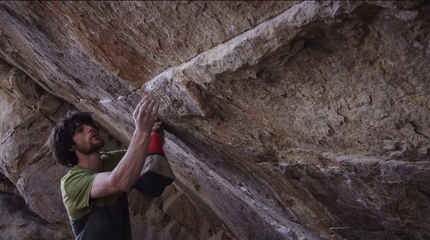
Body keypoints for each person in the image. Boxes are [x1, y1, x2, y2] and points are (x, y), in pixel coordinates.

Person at [49, 95, 161, 240]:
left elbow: (143, 156)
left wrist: (151, 132)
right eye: (80, 130)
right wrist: (141, 132)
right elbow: (117, 183)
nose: (90, 128)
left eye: (89, 125)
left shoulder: (110, 160)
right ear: (70, 146)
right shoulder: (71, 183)